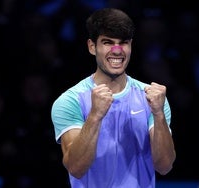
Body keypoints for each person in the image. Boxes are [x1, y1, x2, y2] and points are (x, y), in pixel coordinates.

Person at [51, 8, 176, 188]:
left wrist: (158, 114)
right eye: (108, 42)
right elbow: (76, 167)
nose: (117, 51)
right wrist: (95, 115)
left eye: (123, 43)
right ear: (92, 47)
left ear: (131, 46)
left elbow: (164, 166)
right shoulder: (70, 101)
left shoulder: (152, 98)